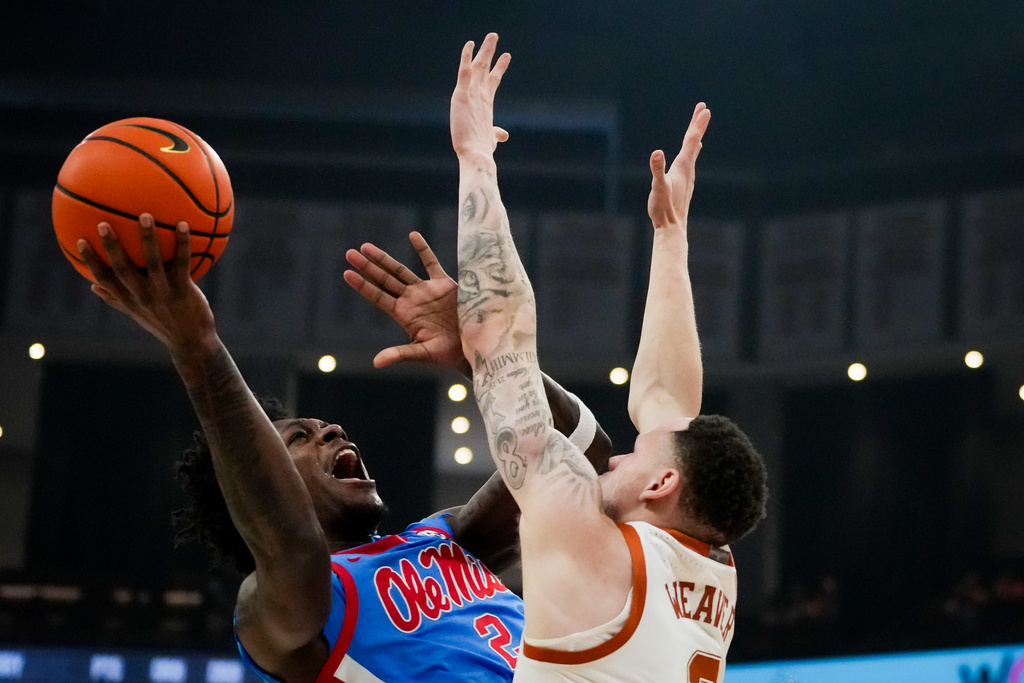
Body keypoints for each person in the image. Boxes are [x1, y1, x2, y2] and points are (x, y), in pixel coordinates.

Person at [75, 211, 610, 681]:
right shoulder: (268, 611)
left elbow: (582, 451)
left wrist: (485, 357)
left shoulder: (449, 537)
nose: (332, 431)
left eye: (323, 427)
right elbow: (293, 548)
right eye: (298, 438)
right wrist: (199, 349)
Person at [451, 34, 768, 682]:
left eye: (634, 454)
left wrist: (475, 157)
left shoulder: (595, 553)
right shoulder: (712, 566)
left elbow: (498, 339)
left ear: (660, 484)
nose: (616, 454)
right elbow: (670, 405)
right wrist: (670, 235)